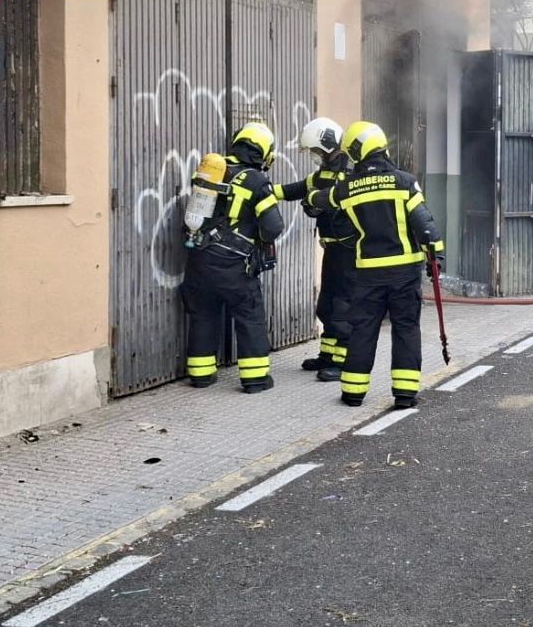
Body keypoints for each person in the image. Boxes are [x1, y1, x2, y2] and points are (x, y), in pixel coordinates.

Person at [307, 121, 444, 409]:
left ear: (357, 151)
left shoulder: (348, 187)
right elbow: (425, 224)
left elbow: (322, 199)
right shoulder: (405, 182)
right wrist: (436, 257)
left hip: (367, 273)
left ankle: (353, 393)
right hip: (405, 274)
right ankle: (405, 395)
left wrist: (310, 198)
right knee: (406, 329)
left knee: (362, 330)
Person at [181, 122, 284, 394]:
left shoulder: (212, 171)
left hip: (199, 258)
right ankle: (256, 379)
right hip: (234, 265)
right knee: (249, 316)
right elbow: (273, 226)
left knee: (203, 314)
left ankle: (201, 375)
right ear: (262, 152)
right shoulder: (257, 180)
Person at [271, 117, 355, 381]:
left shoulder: (351, 172)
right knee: (327, 305)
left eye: (316, 152)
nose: (314, 157)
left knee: (343, 307)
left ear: (328, 145)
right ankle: (327, 356)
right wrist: (265, 191)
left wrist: (319, 204)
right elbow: (299, 189)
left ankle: (343, 363)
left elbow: (339, 201)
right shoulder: (324, 172)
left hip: (349, 249)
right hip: (332, 248)